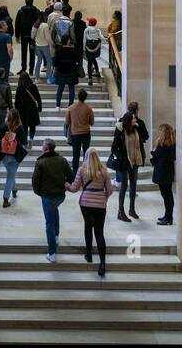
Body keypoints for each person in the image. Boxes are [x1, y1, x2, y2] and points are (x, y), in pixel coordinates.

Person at [68, 148, 113, 277]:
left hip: (86, 203)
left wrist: (65, 185)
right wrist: (103, 197)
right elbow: (109, 190)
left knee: (88, 227)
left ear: (86, 157)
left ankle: (88, 254)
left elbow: (74, 188)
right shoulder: (104, 171)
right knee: (99, 233)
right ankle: (102, 263)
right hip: (100, 204)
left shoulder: (82, 170)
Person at [31, 138, 74, 262]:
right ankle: (56, 236)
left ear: (46, 148)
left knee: (49, 223)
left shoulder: (40, 162)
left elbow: (35, 181)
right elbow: (71, 176)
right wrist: (64, 185)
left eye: (42, 146)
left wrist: (39, 192)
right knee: (54, 210)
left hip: (48, 196)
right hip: (60, 196)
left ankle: (52, 253)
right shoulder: (62, 160)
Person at [110, 101, 149, 222]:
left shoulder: (137, 127)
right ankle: (120, 212)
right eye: (133, 118)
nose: (135, 119)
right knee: (124, 186)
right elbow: (114, 148)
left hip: (135, 160)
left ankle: (132, 209)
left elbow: (145, 136)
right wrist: (121, 157)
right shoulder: (120, 129)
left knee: (133, 185)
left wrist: (139, 126)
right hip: (123, 162)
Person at [0, 110, 27, 208]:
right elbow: (24, 142)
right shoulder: (20, 127)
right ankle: (5, 199)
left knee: (10, 173)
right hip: (15, 156)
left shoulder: (4, 126)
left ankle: (14, 189)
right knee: (10, 176)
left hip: (4, 155)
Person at [150, 123, 176, 225]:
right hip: (166, 172)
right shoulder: (169, 143)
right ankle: (167, 215)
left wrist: (153, 154)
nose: (159, 132)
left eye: (161, 131)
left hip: (163, 172)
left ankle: (168, 218)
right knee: (167, 195)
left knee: (166, 196)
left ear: (165, 133)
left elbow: (157, 155)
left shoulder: (165, 144)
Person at [65, 88, 94, 169]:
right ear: (85, 97)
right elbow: (92, 122)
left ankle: (75, 174)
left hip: (75, 134)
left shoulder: (71, 108)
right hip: (86, 133)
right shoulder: (88, 109)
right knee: (86, 154)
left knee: (75, 155)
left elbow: (67, 122)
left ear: (78, 97)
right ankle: (86, 172)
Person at [15, 71, 42, 144]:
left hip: (22, 109)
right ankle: (31, 138)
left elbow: (17, 100)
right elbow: (38, 98)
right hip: (32, 109)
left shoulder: (19, 87)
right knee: (32, 125)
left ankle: (25, 140)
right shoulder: (33, 86)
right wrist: (39, 108)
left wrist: (16, 110)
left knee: (24, 126)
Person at [53, 35, 79, 108]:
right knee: (71, 89)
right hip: (71, 72)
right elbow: (77, 61)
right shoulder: (73, 50)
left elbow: (55, 62)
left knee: (60, 89)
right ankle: (70, 105)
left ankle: (58, 105)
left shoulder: (58, 50)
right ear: (68, 41)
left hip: (61, 72)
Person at [14, 0, 39, 74]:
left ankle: (23, 69)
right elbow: (38, 23)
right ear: (32, 2)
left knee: (23, 53)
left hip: (24, 35)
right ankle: (31, 70)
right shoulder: (36, 11)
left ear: (25, 2)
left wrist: (17, 35)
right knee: (32, 53)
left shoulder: (21, 11)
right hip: (33, 36)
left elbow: (17, 24)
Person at [106, 10, 122, 93]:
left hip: (115, 42)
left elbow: (113, 31)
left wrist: (110, 34)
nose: (112, 14)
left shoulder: (116, 23)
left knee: (115, 57)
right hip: (115, 41)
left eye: (114, 14)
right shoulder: (116, 22)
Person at [32, 13, 53, 80]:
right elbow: (47, 37)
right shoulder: (45, 25)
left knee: (38, 61)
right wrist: (52, 43)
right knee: (49, 61)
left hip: (37, 46)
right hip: (45, 46)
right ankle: (48, 78)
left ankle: (37, 78)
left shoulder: (35, 25)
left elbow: (32, 36)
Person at [72, 11, 87, 76]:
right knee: (80, 59)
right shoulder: (83, 23)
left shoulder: (72, 22)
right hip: (80, 43)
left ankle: (73, 72)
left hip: (73, 43)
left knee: (73, 58)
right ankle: (80, 72)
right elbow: (84, 34)